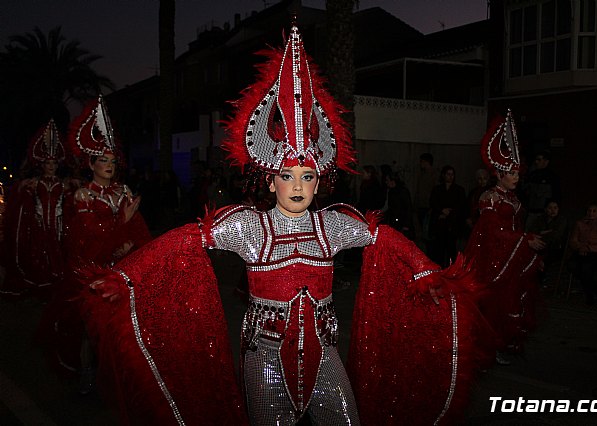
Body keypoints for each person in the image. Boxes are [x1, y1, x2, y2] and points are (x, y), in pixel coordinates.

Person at [87, 25, 492, 426]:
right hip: (264, 361)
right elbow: (185, 240)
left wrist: (433, 276)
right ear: (270, 179)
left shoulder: (333, 226)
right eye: (287, 175)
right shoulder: (248, 227)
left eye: (307, 176)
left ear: (320, 182)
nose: (297, 186)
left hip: (326, 360)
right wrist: (126, 278)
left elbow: (384, 237)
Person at [41, 96, 152, 396]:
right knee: (92, 330)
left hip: (122, 270)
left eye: (113, 161)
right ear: (90, 163)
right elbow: (88, 239)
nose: (110, 166)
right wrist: (120, 226)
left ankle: (118, 376)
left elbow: (138, 230)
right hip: (95, 272)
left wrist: (130, 240)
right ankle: (88, 376)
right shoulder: (83, 197)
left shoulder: (123, 191)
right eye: (103, 160)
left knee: (123, 329)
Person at [464, 110, 545, 364]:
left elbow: (515, 226)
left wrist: (526, 244)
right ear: (499, 174)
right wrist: (524, 240)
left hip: (511, 256)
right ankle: (492, 347)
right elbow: (492, 233)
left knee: (513, 299)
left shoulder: (513, 199)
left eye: (518, 174)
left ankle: (507, 344)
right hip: (494, 258)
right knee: (496, 303)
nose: (516, 178)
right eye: (513, 174)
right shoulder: (489, 199)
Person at [1, 120, 69, 298]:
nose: (51, 166)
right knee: (39, 250)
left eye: (54, 163)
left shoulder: (64, 184)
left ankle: (56, 278)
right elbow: (21, 199)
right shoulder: (35, 183)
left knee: (58, 249)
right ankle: (41, 279)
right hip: (39, 222)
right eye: (48, 163)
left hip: (58, 223)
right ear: (42, 165)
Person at [568, 202, 597, 305]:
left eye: (594, 211)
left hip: (595, 253)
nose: (591, 213)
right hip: (580, 251)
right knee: (572, 266)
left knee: (586, 268)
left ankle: (590, 294)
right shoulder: (579, 223)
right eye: (589, 211)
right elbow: (573, 241)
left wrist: (588, 248)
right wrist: (581, 247)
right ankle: (593, 289)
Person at [428, 165, 467, 267]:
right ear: (443, 175)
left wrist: (449, 213)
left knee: (451, 248)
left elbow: (461, 206)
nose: (450, 177)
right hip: (440, 223)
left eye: (452, 175)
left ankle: (451, 269)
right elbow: (433, 202)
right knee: (439, 248)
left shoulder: (459, 190)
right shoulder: (437, 189)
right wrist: (441, 211)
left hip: (452, 224)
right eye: (448, 174)